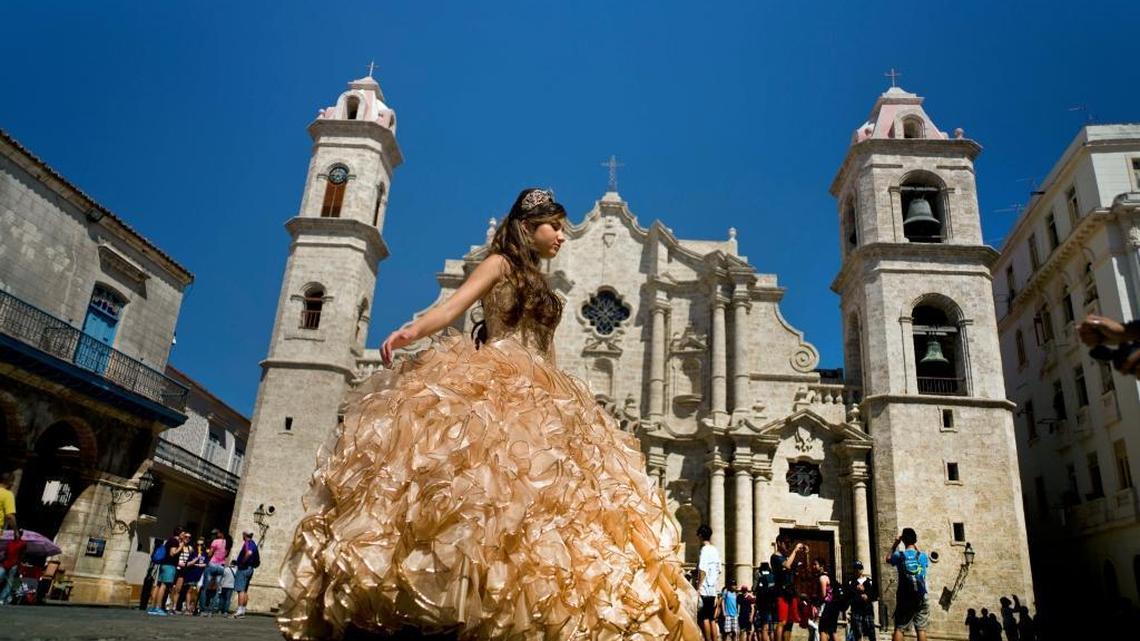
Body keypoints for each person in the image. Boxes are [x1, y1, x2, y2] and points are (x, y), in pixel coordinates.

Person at [276, 188, 700, 641]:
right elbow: (452, 308)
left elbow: (547, 348)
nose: (561, 235)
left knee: (549, 510)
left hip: (544, 390)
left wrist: (563, 400)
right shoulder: (498, 264)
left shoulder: (540, 281)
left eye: (561, 226)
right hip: (497, 376)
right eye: (554, 225)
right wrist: (410, 331)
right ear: (526, 226)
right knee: (483, 498)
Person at [886, 528, 929, 641]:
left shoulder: (899, 556)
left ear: (903, 540)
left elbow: (888, 558)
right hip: (921, 596)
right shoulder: (923, 556)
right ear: (915, 540)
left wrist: (895, 543)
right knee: (921, 629)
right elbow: (921, 563)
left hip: (905, 597)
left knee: (900, 628)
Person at [770, 535, 807, 641]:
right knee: (782, 621)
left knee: (790, 622)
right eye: (786, 543)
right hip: (781, 593)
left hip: (791, 593)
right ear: (779, 543)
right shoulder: (775, 557)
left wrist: (804, 552)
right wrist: (795, 550)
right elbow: (787, 565)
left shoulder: (786, 556)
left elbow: (799, 566)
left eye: (789, 543)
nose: (788, 545)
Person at [148, 527, 184, 615]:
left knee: (158, 585)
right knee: (163, 586)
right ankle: (157, 607)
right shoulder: (175, 541)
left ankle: (153, 606)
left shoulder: (169, 540)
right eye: (183, 533)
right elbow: (173, 553)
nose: (183, 535)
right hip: (169, 566)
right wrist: (180, 547)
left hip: (164, 564)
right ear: (179, 533)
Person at [698, 524, 721, 641]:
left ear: (701, 536)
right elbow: (718, 570)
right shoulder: (715, 550)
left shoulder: (704, 550)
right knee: (712, 619)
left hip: (705, 589)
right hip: (713, 591)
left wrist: (698, 587)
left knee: (704, 618)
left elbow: (702, 570)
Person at [198, 528, 228, 616]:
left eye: (217, 533)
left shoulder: (216, 541)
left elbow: (210, 554)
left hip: (213, 564)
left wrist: (208, 552)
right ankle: (211, 610)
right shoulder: (228, 543)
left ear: (221, 534)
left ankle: (203, 609)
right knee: (216, 590)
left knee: (205, 588)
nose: (216, 534)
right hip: (221, 566)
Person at [846, 561, 877, 641]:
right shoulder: (850, 582)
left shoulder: (869, 582)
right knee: (857, 633)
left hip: (868, 611)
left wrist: (867, 596)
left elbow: (874, 595)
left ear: (862, 570)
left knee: (871, 633)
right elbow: (849, 597)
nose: (857, 570)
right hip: (856, 611)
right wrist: (860, 596)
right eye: (856, 569)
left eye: (859, 568)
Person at [176, 537, 207, 615]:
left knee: (196, 592)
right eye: (198, 544)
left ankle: (193, 608)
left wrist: (200, 565)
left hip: (200, 575)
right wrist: (197, 559)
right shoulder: (193, 553)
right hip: (191, 574)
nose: (199, 546)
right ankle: (187, 608)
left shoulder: (205, 553)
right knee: (189, 590)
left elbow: (206, 563)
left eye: (201, 544)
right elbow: (188, 563)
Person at [232, 530, 259, 618]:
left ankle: (239, 610)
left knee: (241, 590)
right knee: (245, 590)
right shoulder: (253, 543)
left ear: (244, 535)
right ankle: (242, 610)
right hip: (250, 568)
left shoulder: (248, 543)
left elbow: (249, 553)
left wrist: (242, 562)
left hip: (244, 568)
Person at [0, 528, 26, 605]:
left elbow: (22, 555)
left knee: (9, 582)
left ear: (21, 535)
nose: (16, 534)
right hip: (5, 563)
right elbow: (6, 552)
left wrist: (19, 564)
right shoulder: (10, 542)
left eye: (18, 533)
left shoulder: (23, 543)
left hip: (14, 564)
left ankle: (2, 598)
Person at [753, 562, 777, 641]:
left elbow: (754, 588)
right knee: (772, 628)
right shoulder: (773, 575)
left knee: (764, 627)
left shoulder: (759, 575)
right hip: (773, 604)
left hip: (763, 604)